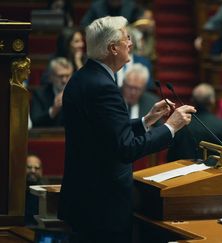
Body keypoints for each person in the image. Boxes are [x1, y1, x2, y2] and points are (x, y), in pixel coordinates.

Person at [58, 16, 196, 243]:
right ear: (113, 48)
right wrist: (171, 127)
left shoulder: (83, 77)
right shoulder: (103, 87)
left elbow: (104, 134)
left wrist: (146, 120)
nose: (131, 43)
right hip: (103, 207)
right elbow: (126, 149)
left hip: (85, 201)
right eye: (127, 38)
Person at [167, 83, 222, 168]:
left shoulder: (181, 123)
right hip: (211, 177)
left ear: (192, 100)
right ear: (212, 101)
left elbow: (170, 157)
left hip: (181, 175)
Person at [30, 57, 73, 127]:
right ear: (51, 77)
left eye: (67, 76)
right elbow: (35, 121)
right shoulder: (40, 94)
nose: (64, 80)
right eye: (60, 76)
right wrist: (53, 110)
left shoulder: (78, 94)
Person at [25, 154, 43, 226]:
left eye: (37, 168)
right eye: (29, 167)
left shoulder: (46, 193)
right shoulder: (15, 193)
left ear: (41, 171)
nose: (33, 171)